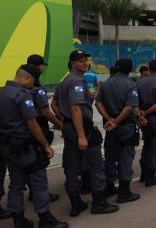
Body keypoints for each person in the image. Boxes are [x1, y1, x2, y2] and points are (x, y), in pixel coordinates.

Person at [0, 64, 68, 228]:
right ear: (27, 77)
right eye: (34, 81)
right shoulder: (23, 96)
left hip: (7, 147)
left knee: (16, 183)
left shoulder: (1, 92)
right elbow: (33, 125)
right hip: (26, 148)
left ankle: (18, 219)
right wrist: (46, 146)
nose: (34, 85)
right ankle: (45, 218)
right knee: (39, 182)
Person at [57, 50, 119, 217]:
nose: (85, 63)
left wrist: (64, 120)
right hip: (81, 128)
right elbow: (76, 108)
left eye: (86, 60)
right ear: (73, 63)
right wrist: (82, 135)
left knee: (72, 166)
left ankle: (76, 203)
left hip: (71, 127)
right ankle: (99, 202)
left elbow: (55, 104)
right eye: (80, 61)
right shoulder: (76, 81)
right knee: (96, 165)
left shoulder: (65, 81)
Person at [95, 58, 141, 204]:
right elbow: (129, 107)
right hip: (124, 126)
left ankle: (109, 186)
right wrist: (117, 121)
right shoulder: (130, 85)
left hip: (109, 127)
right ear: (131, 69)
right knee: (126, 158)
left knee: (110, 156)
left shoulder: (106, 83)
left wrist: (109, 119)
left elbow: (98, 103)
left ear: (117, 67)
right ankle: (124, 192)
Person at [27, 54, 62, 203]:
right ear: (38, 66)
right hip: (38, 127)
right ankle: (40, 194)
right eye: (42, 65)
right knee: (39, 161)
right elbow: (44, 111)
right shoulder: (36, 85)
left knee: (29, 162)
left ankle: (33, 191)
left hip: (25, 129)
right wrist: (59, 123)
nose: (43, 68)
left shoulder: (22, 82)